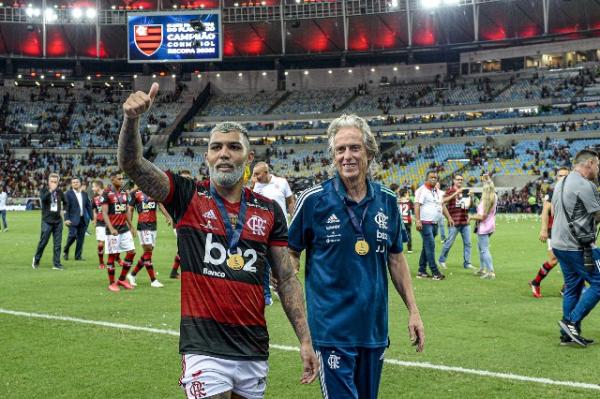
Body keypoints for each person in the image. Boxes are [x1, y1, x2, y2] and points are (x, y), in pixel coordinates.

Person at [118, 83, 318, 398]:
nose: (224, 153)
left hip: (252, 345)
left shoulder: (269, 211)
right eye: (216, 147)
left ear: (248, 157)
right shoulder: (186, 196)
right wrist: (131, 121)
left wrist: (305, 340)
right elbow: (133, 165)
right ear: (207, 156)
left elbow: (287, 279)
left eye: (233, 147)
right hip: (203, 347)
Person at [288, 114, 424, 399]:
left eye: (354, 148)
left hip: (373, 329)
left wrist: (413, 311)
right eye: (340, 150)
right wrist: (290, 285)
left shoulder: (387, 200)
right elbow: (290, 252)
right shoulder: (313, 201)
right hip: (331, 330)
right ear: (333, 155)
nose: (347, 156)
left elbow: (396, 258)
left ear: (370, 152)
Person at [552, 149, 600, 347]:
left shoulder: (560, 183)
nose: (598, 168)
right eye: (597, 164)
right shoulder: (584, 185)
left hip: (559, 244)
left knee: (573, 286)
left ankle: (568, 334)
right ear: (589, 163)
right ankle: (571, 321)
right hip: (577, 246)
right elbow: (597, 215)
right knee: (599, 283)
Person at [251, 162, 296, 305]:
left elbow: (290, 201)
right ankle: (266, 294)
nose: (255, 177)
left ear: (266, 172)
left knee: (282, 262)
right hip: (263, 228)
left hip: (281, 229)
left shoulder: (281, 182)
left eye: (257, 174)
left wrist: (293, 217)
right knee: (263, 261)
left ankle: (281, 287)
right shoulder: (255, 187)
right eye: (254, 174)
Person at [529, 167, 570, 298]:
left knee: (572, 260)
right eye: (560, 175)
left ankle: (567, 287)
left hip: (569, 232)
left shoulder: (572, 192)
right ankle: (536, 282)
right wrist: (543, 229)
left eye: (565, 176)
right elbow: (545, 212)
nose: (563, 178)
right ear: (556, 177)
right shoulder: (552, 194)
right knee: (553, 260)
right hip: (554, 231)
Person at [126, 185, 172, 288]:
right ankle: (153, 280)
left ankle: (132, 275)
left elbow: (160, 205)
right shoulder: (135, 193)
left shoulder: (154, 191)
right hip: (143, 226)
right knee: (148, 251)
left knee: (148, 253)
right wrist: (131, 227)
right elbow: (130, 209)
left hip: (153, 226)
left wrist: (168, 216)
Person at [414, 170, 454, 280]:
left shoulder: (437, 191)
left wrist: (449, 217)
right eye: (431, 177)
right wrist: (417, 221)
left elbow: (442, 205)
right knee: (430, 246)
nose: (433, 179)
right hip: (425, 223)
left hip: (435, 223)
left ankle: (421, 270)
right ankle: (435, 272)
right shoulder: (421, 190)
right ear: (426, 178)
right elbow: (417, 205)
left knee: (426, 247)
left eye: (435, 178)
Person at [101, 171, 136, 292]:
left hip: (124, 229)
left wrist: (131, 226)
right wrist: (111, 228)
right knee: (112, 256)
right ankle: (111, 283)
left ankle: (121, 279)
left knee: (131, 252)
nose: (122, 180)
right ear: (112, 180)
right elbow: (104, 213)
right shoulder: (106, 193)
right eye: (119, 179)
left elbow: (125, 211)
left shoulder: (124, 192)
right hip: (113, 230)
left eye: (123, 178)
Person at [438, 173, 473, 270]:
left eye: (461, 179)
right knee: (449, 242)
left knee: (468, 243)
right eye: (458, 179)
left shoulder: (465, 191)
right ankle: (441, 260)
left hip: (465, 220)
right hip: (454, 221)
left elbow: (468, 206)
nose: (460, 181)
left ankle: (467, 263)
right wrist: (456, 193)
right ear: (453, 180)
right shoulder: (449, 191)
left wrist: (471, 197)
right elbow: (443, 202)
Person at [33, 173, 66, 270]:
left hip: (58, 222)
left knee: (58, 244)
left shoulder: (60, 192)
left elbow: (66, 202)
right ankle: (36, 260)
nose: (53, 183)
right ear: (48, 182)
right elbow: (43, 199)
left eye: (55, 182)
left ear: (58, 182)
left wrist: (64, 211)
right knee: (43, 242)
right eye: (52, 181)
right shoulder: (44, 190)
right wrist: (51, 191)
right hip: (47, 221)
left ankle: (56, 264)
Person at [468, 179, 497, 279]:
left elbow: (482, 216)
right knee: (481, 247)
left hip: (484, 227)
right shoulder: (494, 197)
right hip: (490, 226)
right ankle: (482, 268)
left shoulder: (486, 200)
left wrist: (471, 217)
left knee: (484, 249)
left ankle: (490, 271)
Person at [169, 169, 192, 279]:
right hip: (181, 224)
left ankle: (175, 272)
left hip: (190, 224)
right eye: (183, 178)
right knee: (185, 249)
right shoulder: (177, 193)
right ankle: (176, 272)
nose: (185, 181)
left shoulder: (193, 192)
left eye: (187, 178)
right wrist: (171, 218)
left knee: (184, 248)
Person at [63, 177, 92, 261]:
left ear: (80, 183)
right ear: (71, 184)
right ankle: (66, 250)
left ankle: (78, 256)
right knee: (72, 236)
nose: (75, 183)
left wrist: (93, 218)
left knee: (81, 239)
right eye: (73, 182)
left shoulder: (84, 194)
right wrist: (66, 219)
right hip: (72, 220)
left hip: (83, 220)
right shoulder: (68, 194)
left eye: (77, 182)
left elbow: (88, 207)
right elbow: (66, 207)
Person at [393, 185, 413, 254]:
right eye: (407, 193)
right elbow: (412, 209)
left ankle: (399, 248)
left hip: (400, 220)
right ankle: (409, 248)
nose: (408, 194)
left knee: (399, 234)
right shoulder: (409, 201)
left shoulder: (397, 201)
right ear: (405, 194)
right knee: (409, 234)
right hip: (407, 220)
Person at [91, 180, 107, 269]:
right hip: (100, 223)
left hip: (111, 223)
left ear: (98, 187)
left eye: (93, 186)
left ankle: (118, 259)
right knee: (101, 244)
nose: (92, 188)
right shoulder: (95, 198)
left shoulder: (108, 195)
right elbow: (95, 210)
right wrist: (94, 219)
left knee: (114, 243)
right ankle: (101, 263)